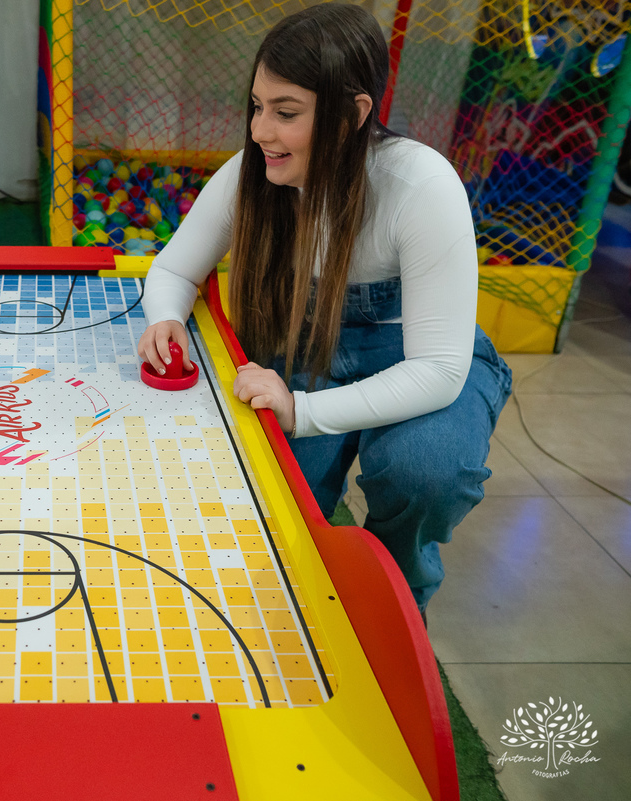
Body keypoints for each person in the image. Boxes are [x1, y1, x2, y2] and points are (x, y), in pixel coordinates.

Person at [137, 4, 513, 616]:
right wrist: (166, 319)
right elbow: (176, 268)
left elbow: (438, 371)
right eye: (257, 107)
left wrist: (302, 409)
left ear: (353, 115)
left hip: (420, 362)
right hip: (309, 350)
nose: (261, 131)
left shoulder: (420, 185)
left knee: (424, 470)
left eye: (286, 113)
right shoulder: (253, 173)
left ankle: (397, 598)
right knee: (273, 500)